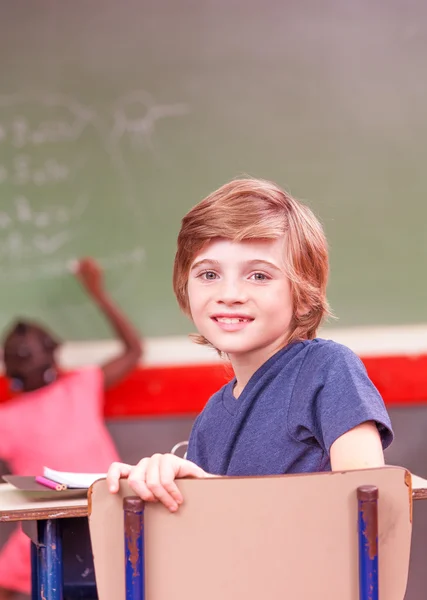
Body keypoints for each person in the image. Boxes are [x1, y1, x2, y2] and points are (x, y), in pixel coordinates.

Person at [107, 177, 393, 513]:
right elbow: (212, 533)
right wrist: (152, 487)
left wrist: (211, 491)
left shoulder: (327, 370)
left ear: (303, 295)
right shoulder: (211, 419)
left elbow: (369, 505)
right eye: (209, 274)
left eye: (258, 275)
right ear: (186, 288)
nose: (229, 295)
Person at [0, 257, 142, 600]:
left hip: (73, 525)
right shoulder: (81, 385)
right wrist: (98, 293)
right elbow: (134, 350)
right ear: (54, 354)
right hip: (91, 523)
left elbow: (134, 351)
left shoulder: (74, 388)